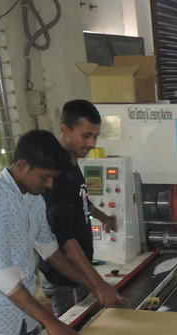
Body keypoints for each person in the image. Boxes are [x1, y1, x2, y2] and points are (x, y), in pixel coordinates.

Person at [0, 129, 102, 335]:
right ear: (22, 165)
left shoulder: (34, 198)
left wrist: (92, 284)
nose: (49, 184)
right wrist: (51, 321)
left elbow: (50, 251)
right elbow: (3, 277)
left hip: (27, 314)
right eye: (45, 177)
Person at [38, 99, 124, 317]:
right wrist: (97, 281)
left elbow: (81, 201)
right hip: (66, 280)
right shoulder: (57, 173)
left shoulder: (72, 163)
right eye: (86, 135)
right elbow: (64, 235)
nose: (92, 143)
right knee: (77, 330)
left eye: (95, 136)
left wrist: (104, 217)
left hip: (78, 274)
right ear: (65, 130)